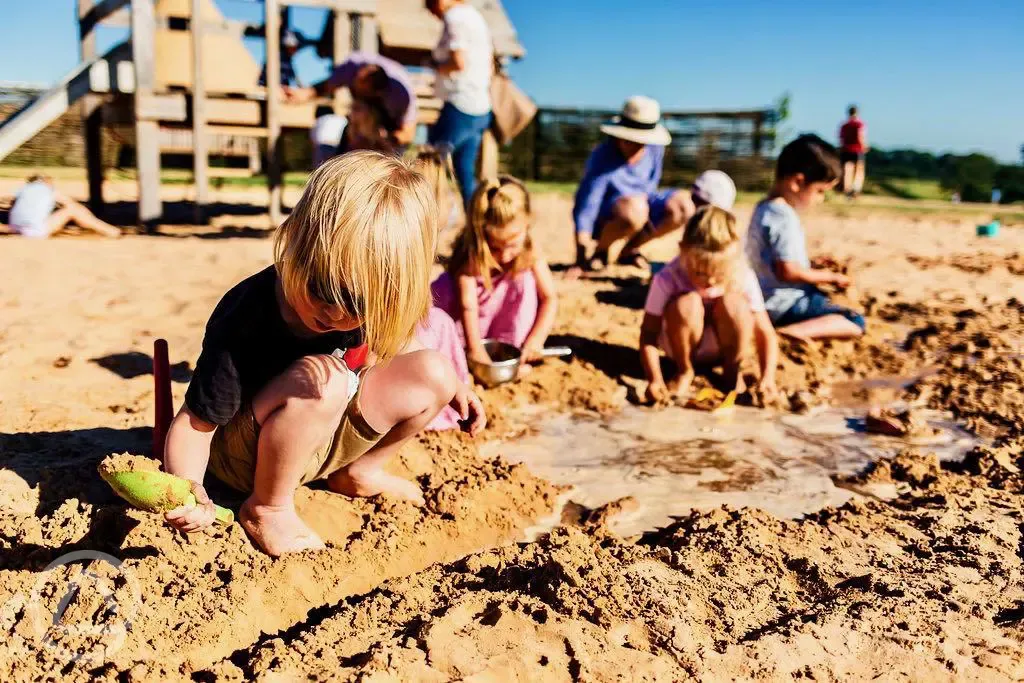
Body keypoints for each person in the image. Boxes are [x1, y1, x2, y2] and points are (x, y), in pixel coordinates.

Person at [162, 152, 486, 557]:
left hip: (318, 441)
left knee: (435, 371)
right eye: (320, 289)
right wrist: (188, 487)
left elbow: (403, 344)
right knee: (325, 379)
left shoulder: (368, 294)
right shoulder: (246, 315)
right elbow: (194, 424)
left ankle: (359, 471)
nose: (333, 313)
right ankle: (267, 507)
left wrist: (456, 385)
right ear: (295, 239)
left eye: (356, 304)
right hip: (243, 459)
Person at [640, 197, 778, 404]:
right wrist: (654, 379)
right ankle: (684, 371)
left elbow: (765, 332)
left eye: (719, 272)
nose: (710, 280)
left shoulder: (742, 275)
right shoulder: (667, 278)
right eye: (699, 272)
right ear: (682, 250)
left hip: (724, 349)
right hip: (680, 346)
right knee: (687, 303)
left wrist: (768, 378)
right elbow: (648, 334)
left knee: (735, 303)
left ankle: (731, 370)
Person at [746, 134, 865, 342]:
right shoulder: (785, 217)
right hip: (786, 304)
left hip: (761, 298)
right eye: (820, 191)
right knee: (855, 321)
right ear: (797, 182)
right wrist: (831, 277)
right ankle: (791, 333)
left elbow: (773, 260)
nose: (820, 199)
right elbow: (787, 271)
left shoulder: (763, 208)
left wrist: (811, 265)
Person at [431, 175, 557, 367]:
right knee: (442, 291)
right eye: (496, 247)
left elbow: (550, 298)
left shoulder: (530, 252)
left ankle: (510, 348)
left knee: (524, 280)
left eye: (513, 245)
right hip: (469, 325)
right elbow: (468, 306)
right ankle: (462, 353)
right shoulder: (474, 253)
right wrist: (475, 350)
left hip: (503, 321)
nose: (506, 256)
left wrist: (536, 340)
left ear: (527, 225)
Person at [569, 96, 692, 277]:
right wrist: (580, 256)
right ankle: (601, 251)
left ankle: (629, 250)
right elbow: (588, 203)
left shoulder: (654, 149)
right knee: (634, 210)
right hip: (612, 214)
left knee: (684, 207)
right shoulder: (603, 157)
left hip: (642, 207)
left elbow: (651, 185)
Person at [426, 0, 493, 206]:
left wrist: (435, 66)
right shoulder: (474, 16)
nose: (431, 11)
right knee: (464, 170)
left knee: (430, 164)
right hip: (480, 107)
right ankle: (474, 221)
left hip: (460, 105)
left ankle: (425, 218)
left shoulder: (455, 17)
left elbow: (458, 62)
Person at [286, 52, 418, 152]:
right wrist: (303, 94)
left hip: (388, 132)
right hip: (361, 125)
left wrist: (385, 141)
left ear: (376, 93)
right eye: (355, 85)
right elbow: (326, 86)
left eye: (362, 91)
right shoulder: (352, 67)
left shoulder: (400, 96)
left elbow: (407, 133)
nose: (355, 89)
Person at [5, 175, 120, 238]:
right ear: (47, 182)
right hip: (35, 231)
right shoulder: (50, 190)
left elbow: (14, 206)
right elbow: (70, 204)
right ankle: (109, 230)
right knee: (74, 209)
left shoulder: (21, 190)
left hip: (15, 228)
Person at [839, 105, 867, 198]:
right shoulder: (859, 124)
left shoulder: (844, 125)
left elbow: (841, 138)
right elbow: (860, 136)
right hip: (857, 150)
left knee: (847, 170)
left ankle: (847, 190)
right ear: (857, 113)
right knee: (859, 170)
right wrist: (864, 146)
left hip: (846, 149)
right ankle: (855, 190)